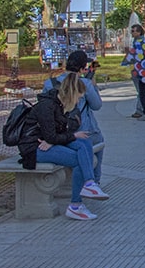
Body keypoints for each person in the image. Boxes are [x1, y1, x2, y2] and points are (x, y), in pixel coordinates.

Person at [22, 72, 109, 220]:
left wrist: (55, 138)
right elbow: (52, 135)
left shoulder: (62, 104)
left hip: (48, 143)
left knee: (84, 143)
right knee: (78, 159)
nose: (78, 102)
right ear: (72, 94)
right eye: (78, 98)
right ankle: (76, 204)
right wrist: (60, 138)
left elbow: (70, 126)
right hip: (35, 148)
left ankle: (89, 183)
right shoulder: (47, 106)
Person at [43, 50, 105, 185]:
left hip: (57, 132)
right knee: (100, 141)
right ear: (82, 69)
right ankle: (95, 181)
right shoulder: (85, 83)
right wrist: (93, 86)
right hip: (82, 130)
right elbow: (97, 105)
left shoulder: (49, 84)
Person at [125, 25, 145, 118]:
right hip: (138, 69)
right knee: (142, 91)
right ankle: (144, 109)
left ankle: (140, 110)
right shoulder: (137, 41)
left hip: (139, 69)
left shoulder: (139, 42)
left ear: (139, 32)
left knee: (141, 91)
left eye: (133, 31)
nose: (131, 32)